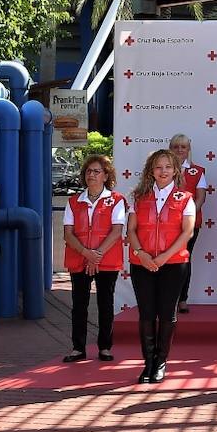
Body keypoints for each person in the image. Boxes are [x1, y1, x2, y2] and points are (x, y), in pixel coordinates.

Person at [128, 148, 196, 384]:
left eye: (168, 166)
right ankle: (147, 363)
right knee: (147, 313)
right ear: (151, 171)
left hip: (173, 264)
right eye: (158, 167)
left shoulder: (185, 198)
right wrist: (141, 254)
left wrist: (164, 257)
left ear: (175, 170)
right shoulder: (138, 197)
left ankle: (160, 362)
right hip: (141, 263)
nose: (163, 171)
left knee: (167, 313)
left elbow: (187, 232)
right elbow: (131, 230)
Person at [62, 154, 127, 363]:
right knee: (79, 304)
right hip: (79, 258)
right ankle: (78, 348)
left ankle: (105, 347)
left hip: (106, 260)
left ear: (106, 175)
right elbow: (68, 234)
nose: (92, 175)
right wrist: (86, 253)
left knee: (105, 303)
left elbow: (117, 231)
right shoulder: (73, 202)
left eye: (97, 171)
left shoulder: (117, 200)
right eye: (89, 171)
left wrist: (95, 256)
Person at [171, 134, 207, 314]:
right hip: (166, 226)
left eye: (183, 147)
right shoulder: (162, 169)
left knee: (184, 260)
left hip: (190, 225)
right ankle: (168, 298)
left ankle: (182, 299)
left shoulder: (197, 171)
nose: (179, 150)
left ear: (188, 150)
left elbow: (200, 198)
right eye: (176, 146)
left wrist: (188, 217)